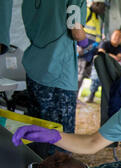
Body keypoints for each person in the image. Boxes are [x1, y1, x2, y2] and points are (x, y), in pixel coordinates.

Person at [4, 0, 87, 137]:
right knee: (60, 137)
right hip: (59, 71)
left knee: (37, 129)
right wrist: (85, 39)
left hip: (34, 67)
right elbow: (76, 33)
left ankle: (35, 158)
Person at [86, 29, 121, 103]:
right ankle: (91, 95)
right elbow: (101, 53)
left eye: (120, 37)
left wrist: (107, 54)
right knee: (95, 78)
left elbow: (118, 58)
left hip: (112, 67)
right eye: (116, 35)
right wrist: (111, 56)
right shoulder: (105, 43)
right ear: (111, 36)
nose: (117, 38)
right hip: (100, 66)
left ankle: (108, 99)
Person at [77, 0, 105, 90]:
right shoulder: (86, 12)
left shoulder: (98, 18)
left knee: (84, 74)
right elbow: (77, 28)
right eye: (102, 6)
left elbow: (97, 36)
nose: (103, 9)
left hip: (90, 51)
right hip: (82, 49)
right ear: (96, 4)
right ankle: (73, 96)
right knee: (78, 74)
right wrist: (77, 47)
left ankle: (76, 97)